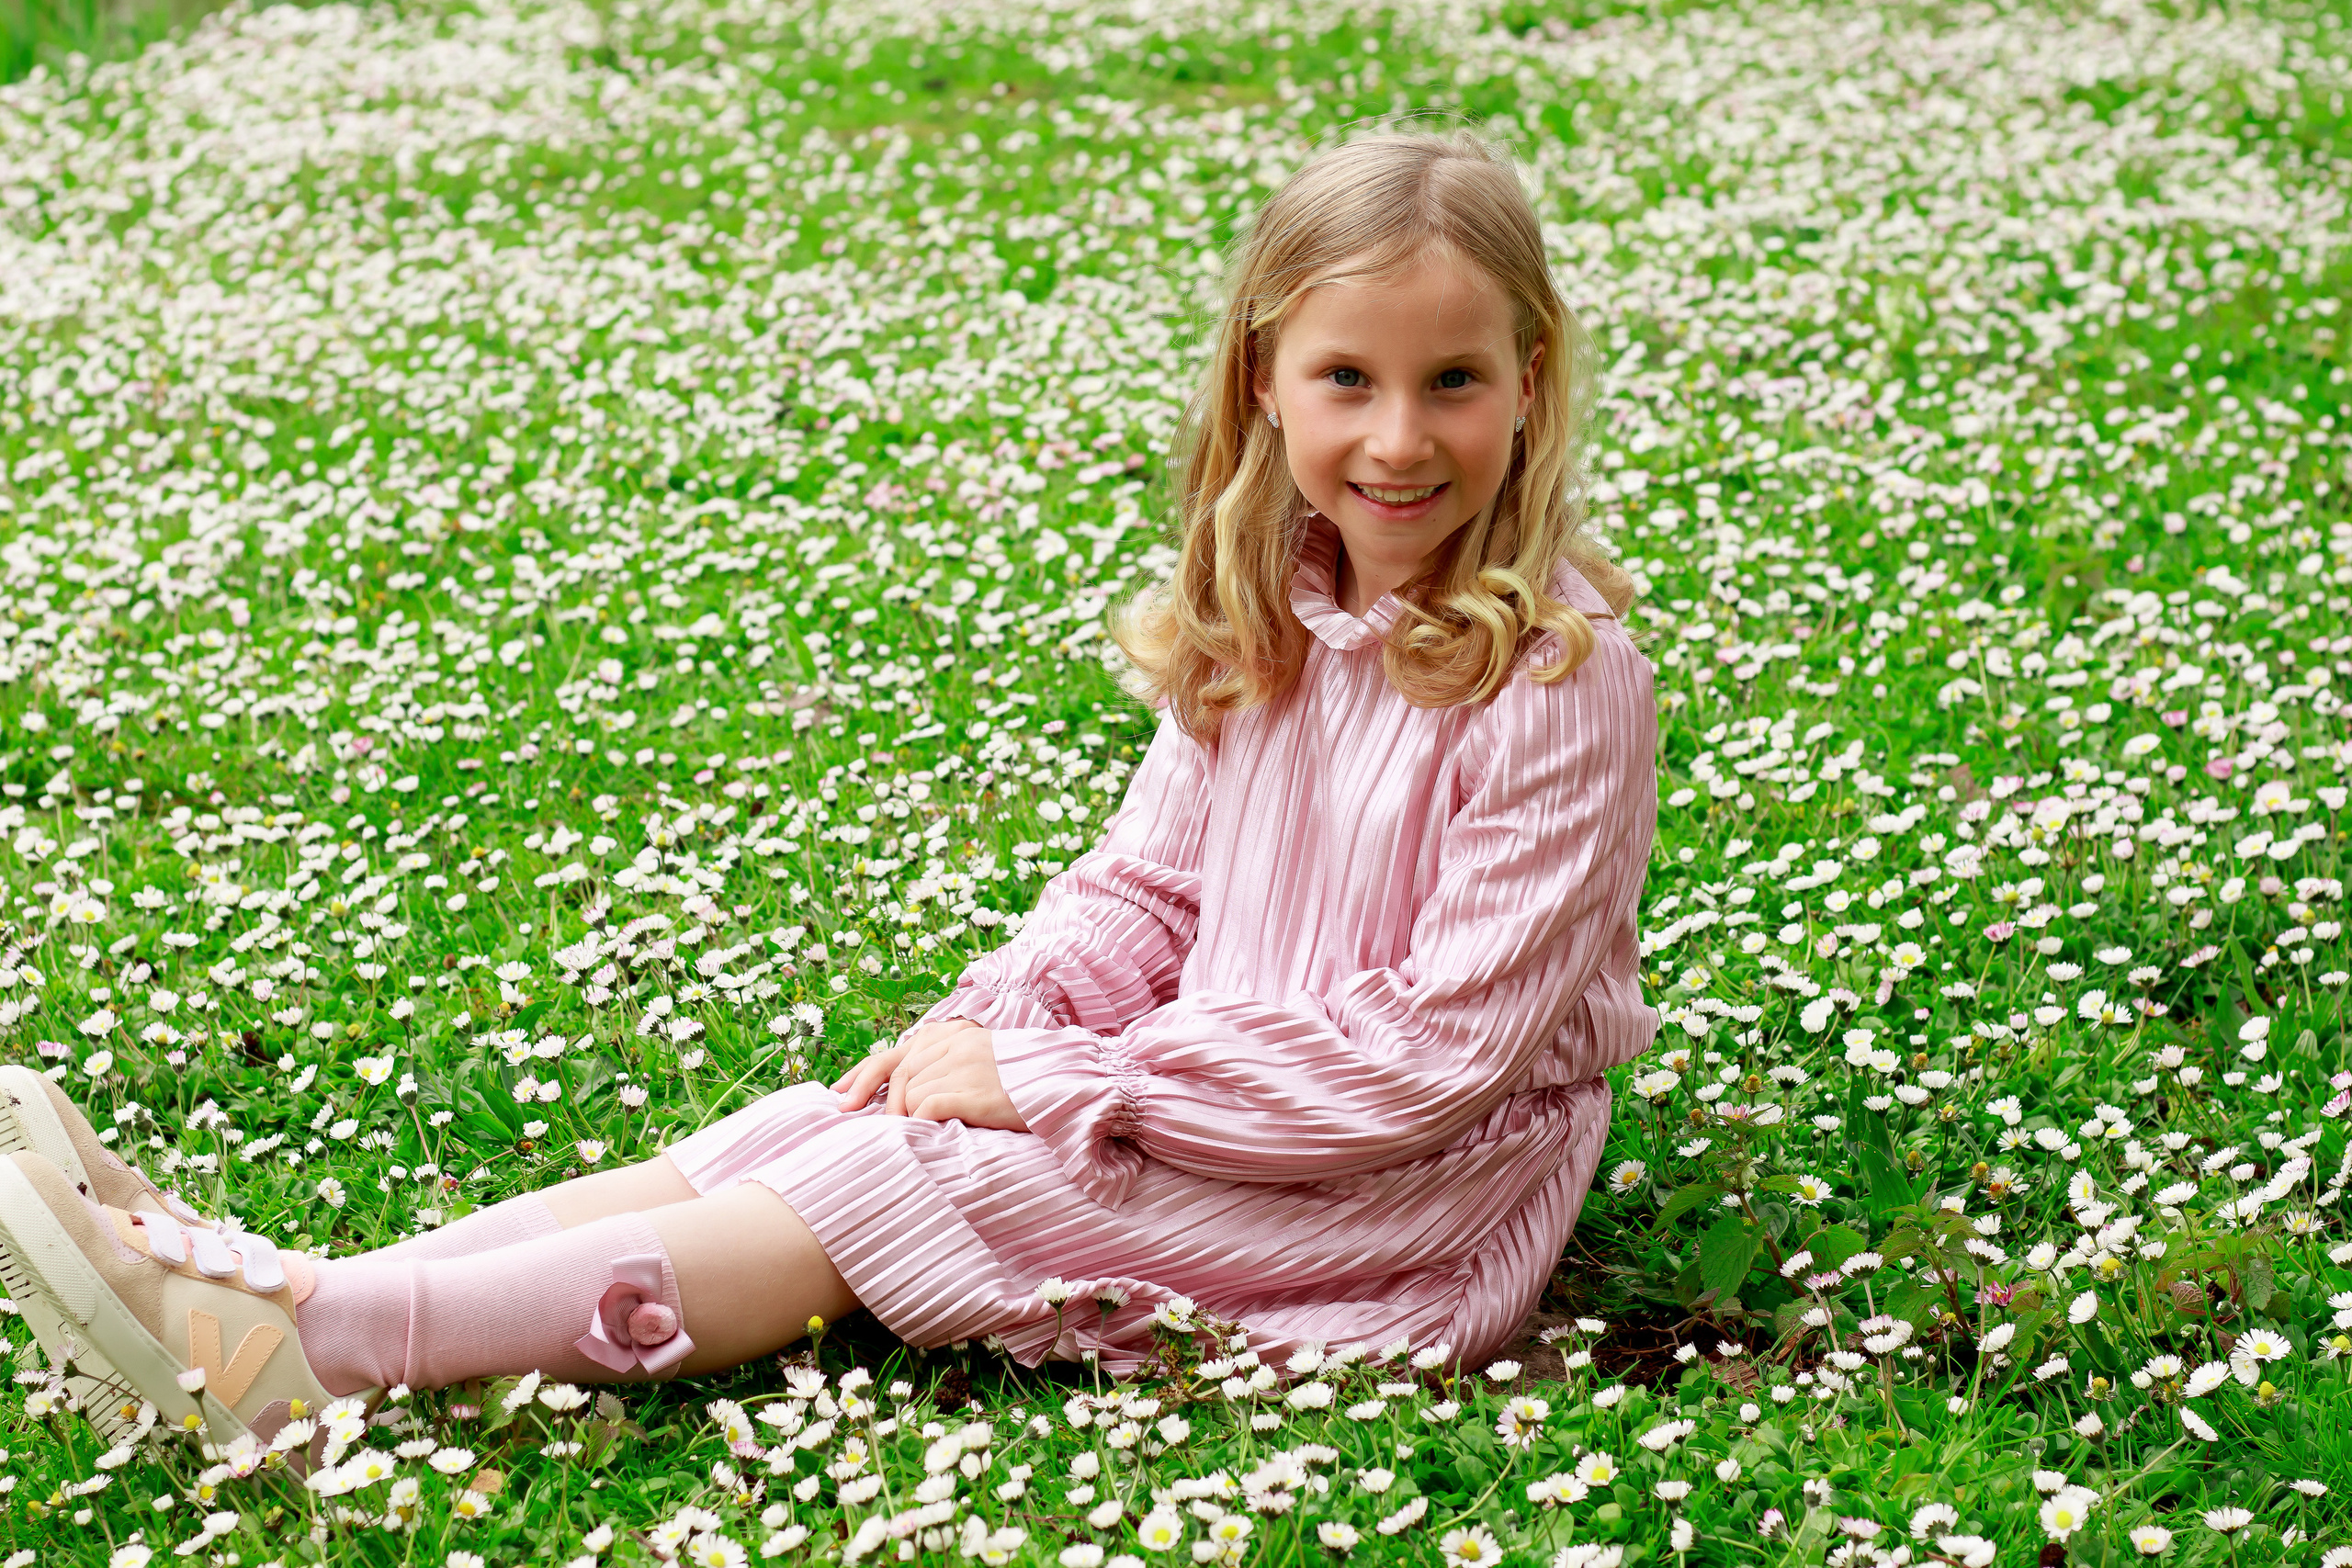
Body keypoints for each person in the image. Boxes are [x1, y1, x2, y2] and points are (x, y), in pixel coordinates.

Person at [0, 129, 1657, 1457]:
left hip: (1400, 1189)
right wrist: (991, 1028)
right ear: (1263, 381)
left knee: (894, 1183)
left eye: (1453, 382)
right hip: (1208, 1097)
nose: (1398, 440)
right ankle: (279, 1285)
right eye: (1346, 380)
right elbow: (1142, 894)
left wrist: (1065, 1081)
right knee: (822, 1127)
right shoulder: (1270, 611)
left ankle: (316, 1354)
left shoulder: (1559, 680)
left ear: (1530, 377)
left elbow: (1431, 1064)